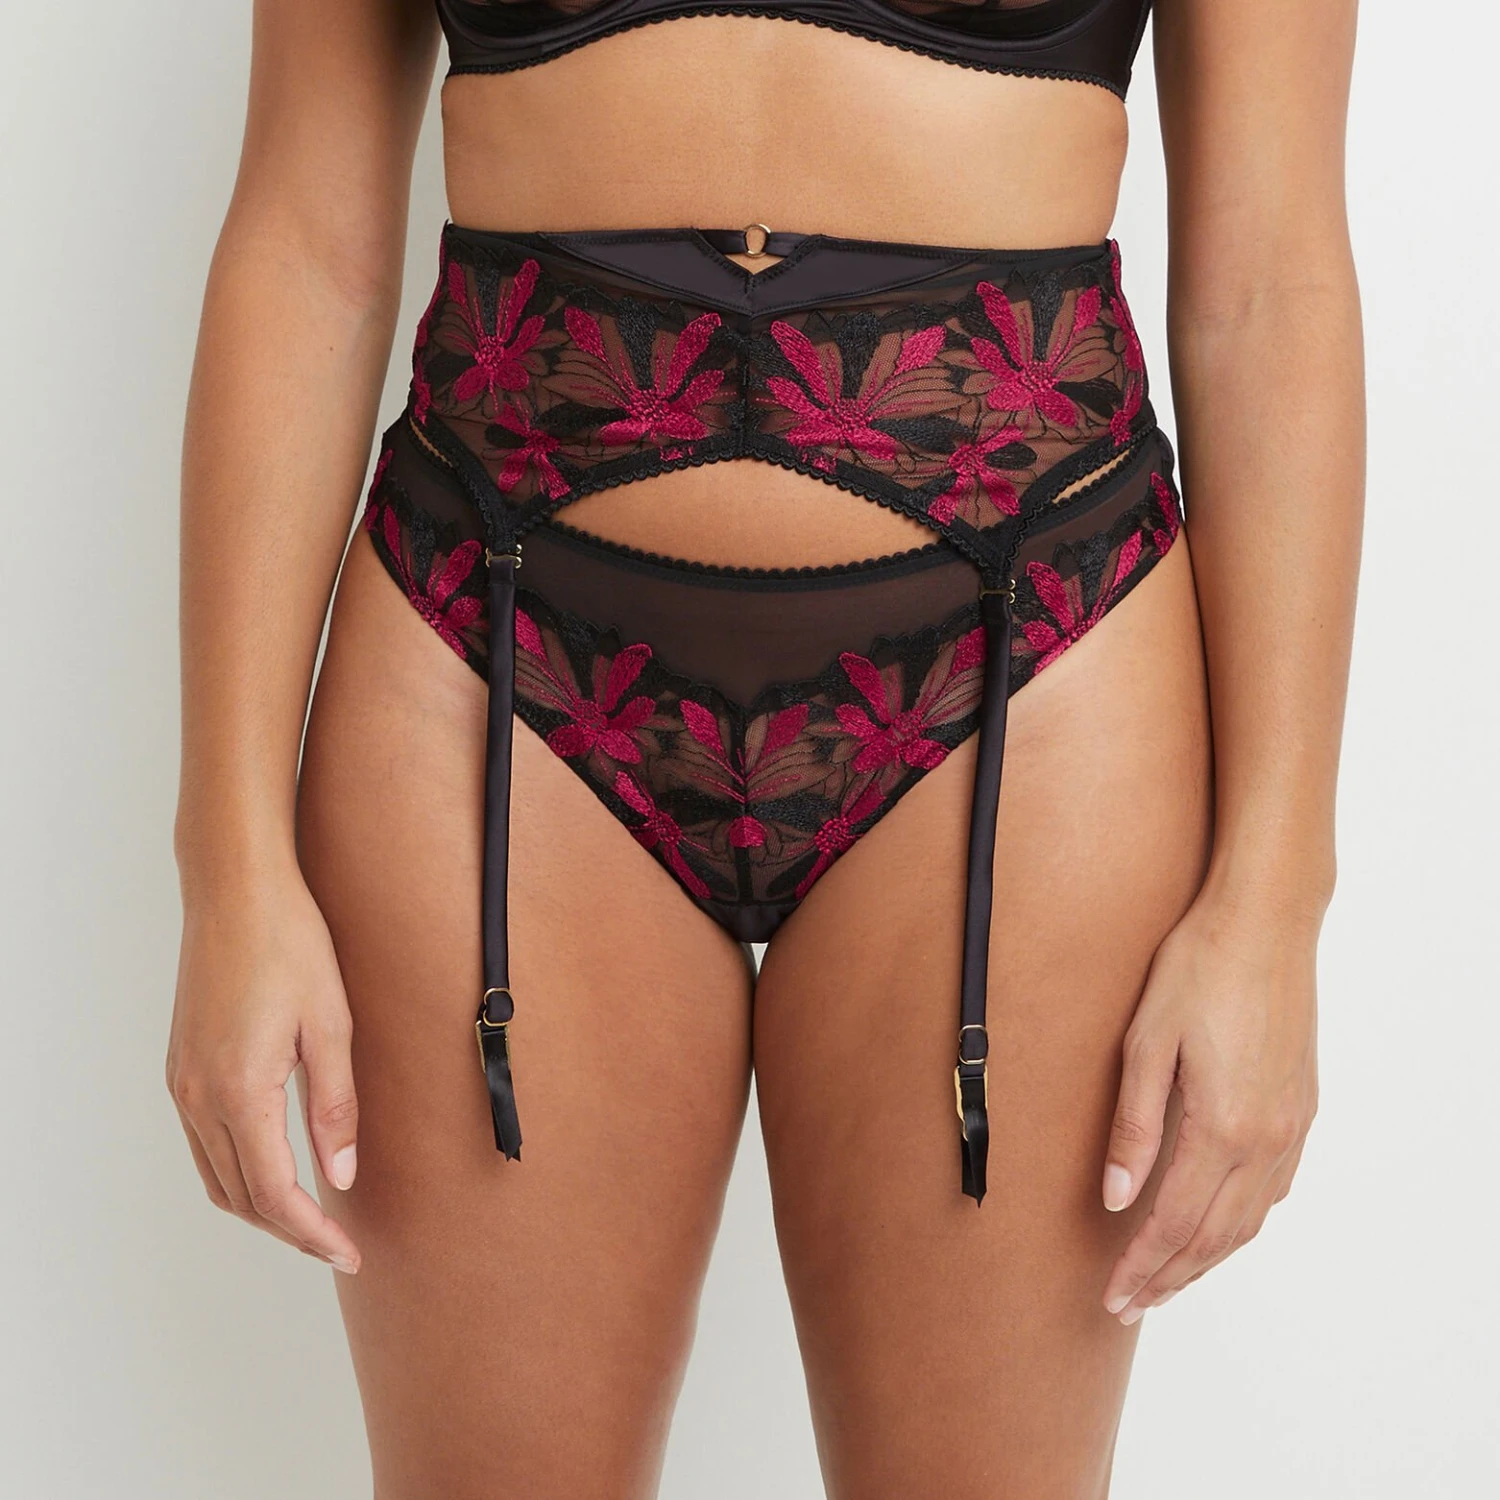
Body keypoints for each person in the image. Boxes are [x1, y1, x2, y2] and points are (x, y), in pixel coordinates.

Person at [166, 0, 1362, 1492]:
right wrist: (227, 869)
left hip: (1026, 663)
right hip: (488, 653)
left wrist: (1273, 905)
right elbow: (305, 242)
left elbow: (1270, 285)